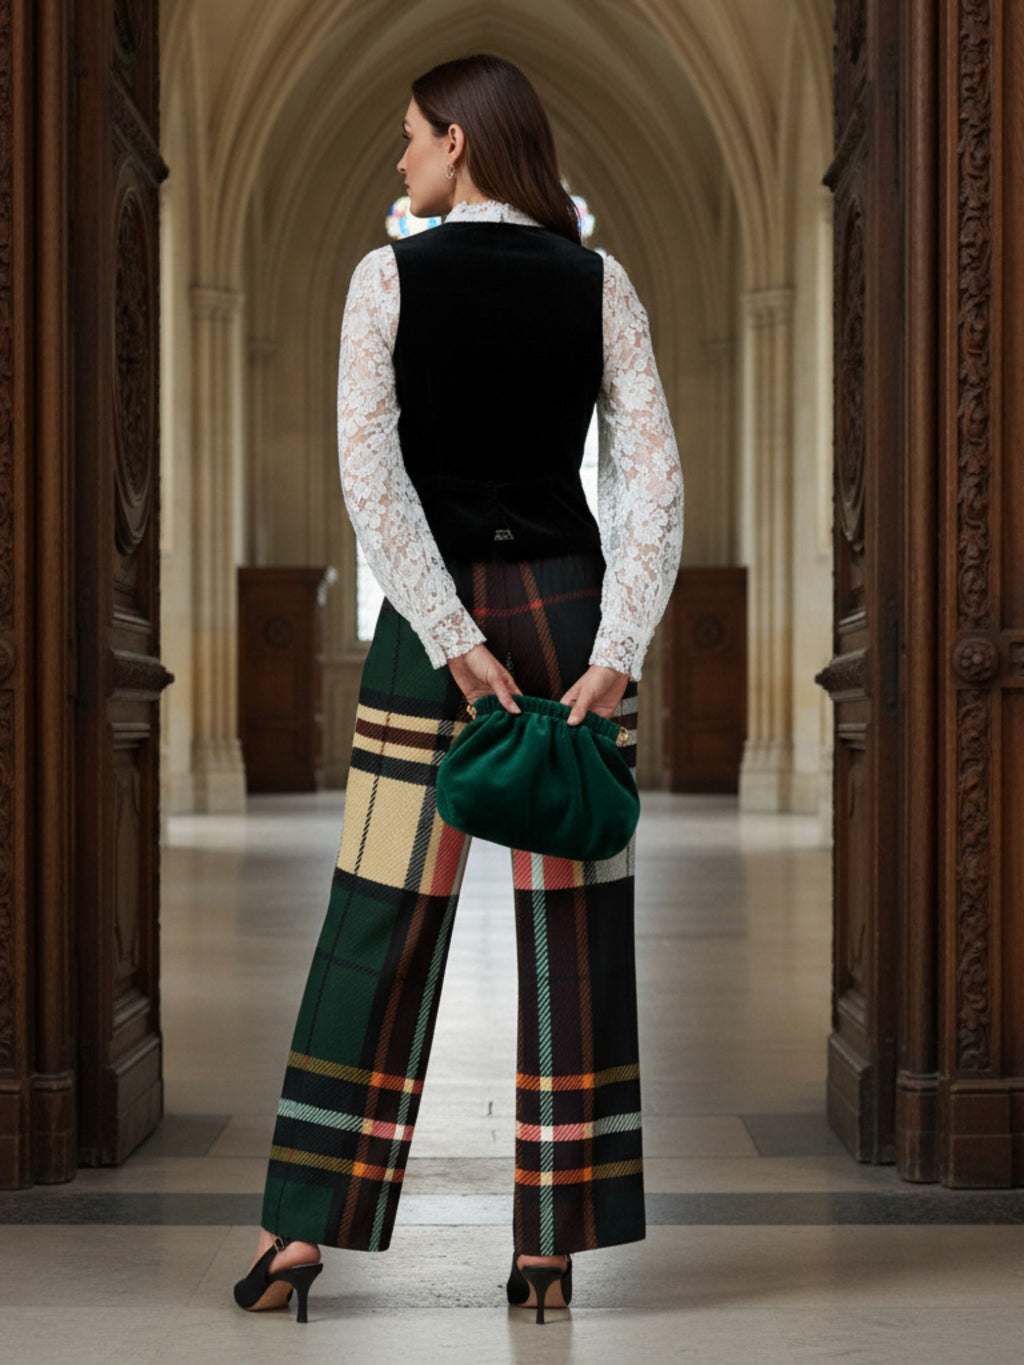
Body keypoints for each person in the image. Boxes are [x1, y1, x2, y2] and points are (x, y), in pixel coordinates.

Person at [233, 51, 683, 1326]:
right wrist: (620, 646)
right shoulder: (602, 280)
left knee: (375, 919)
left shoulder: (387, 279)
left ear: (461, 144)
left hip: (427, 641)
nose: (402, 159)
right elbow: (652, 477)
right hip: (574, 624)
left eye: (413, 140)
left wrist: (442, 632)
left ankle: (297, 1238)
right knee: (576, 938)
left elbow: (369, 476)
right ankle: (553, 1250)